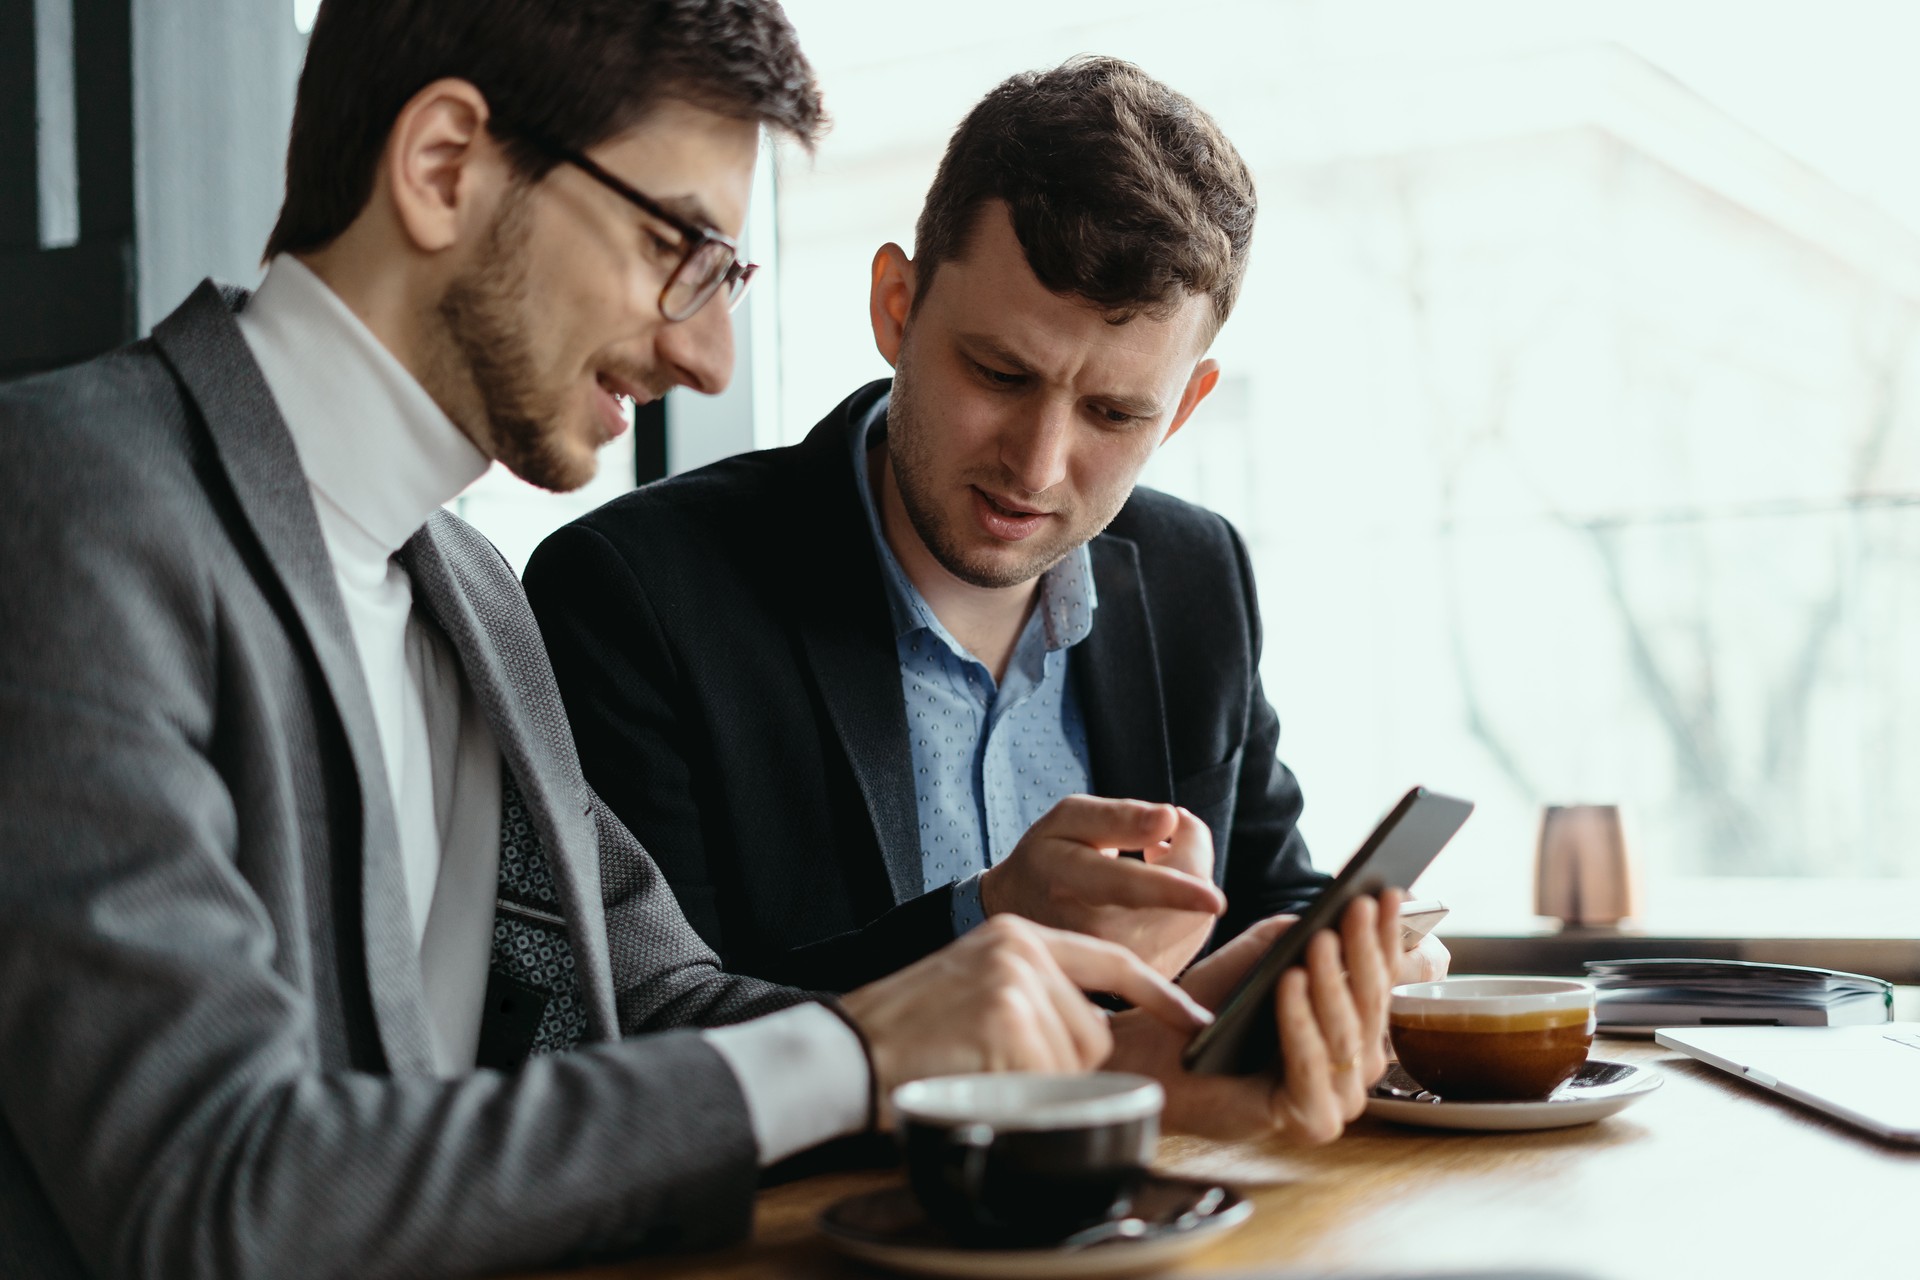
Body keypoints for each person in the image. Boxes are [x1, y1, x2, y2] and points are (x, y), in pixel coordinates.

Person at [0, 7, 1403, 1279]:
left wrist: (1101, 1063)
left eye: (724, 271)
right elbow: (209, 1192)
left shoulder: (470, 595)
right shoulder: (68, 503)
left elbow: (653, 1003)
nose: (709, 359)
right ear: (442, 166)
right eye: (677, 247)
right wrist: (860, 1049)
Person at [525, 57, 1451, 993]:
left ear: (1182, 410)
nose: (1038, 465)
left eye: (1115, 414)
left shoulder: (1195, 575)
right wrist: (989, 922)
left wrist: (1348, 962)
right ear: (898, 307)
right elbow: (657, 1031)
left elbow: (1267, 899)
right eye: (1002, 375)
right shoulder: (633, 597)